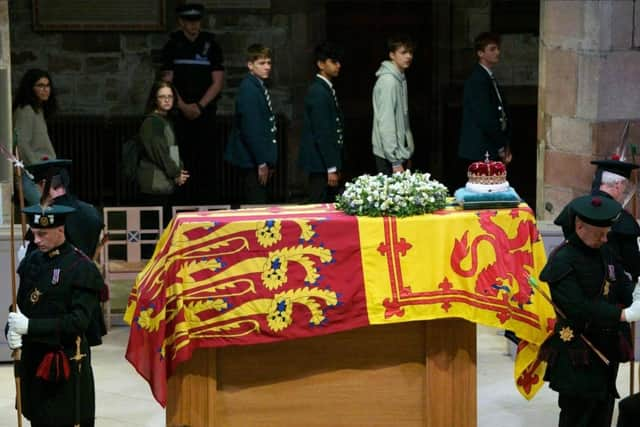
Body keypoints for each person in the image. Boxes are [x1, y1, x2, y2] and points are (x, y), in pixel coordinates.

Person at [539, 194, 640, 427]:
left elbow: (618, 282)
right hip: (579, 350)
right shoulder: (562, 260)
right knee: (578, 416)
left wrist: (633, 294)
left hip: (607, 347)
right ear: (580, 226)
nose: (605, 240)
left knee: (603, 411)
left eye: (607, 233)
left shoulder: (604, 251)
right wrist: (622, 314)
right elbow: (578, 307)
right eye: (600, 234)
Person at [7, 204, 105, 427]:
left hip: (64, 366)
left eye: (43, 234)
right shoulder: (31, 262)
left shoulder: (81, 268)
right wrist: (12, 328)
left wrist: (30, 327)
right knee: (38, 420)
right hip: (34, 363)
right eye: (34, 234)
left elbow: (78, 321)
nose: (37, 240)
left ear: (61, 230)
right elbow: (21, 306)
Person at [161, 3, 224, 203]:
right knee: (179, 162)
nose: (194, 26)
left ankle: (206, 207)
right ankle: (181, 207)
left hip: (204, 114)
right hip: (179, 115)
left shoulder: (211, 45)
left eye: (197, 21)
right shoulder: (172, 45)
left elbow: (217, 81)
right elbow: (167, 81)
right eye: (189, 21)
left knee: (205, 163)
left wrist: (199, 106)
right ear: (181, 22)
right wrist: (182, 105)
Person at [224, 44, 277, 204]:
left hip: (257, 159)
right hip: (251, 160)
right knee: (256, 202)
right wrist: (261, 162)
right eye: (262, 63)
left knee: (260, 200)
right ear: (250, 65)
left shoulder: (257, 87)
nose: (267, 67)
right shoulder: (249, 89)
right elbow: (251, 129)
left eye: (269, 62)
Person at [25, 158, 104, 259]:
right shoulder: (91, 211)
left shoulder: (45, 215)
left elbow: (32, 260)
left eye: (38, 187)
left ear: (44, 184)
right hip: (86, 271)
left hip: (56, 273)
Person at [137, 80, 189, 225]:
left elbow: (172, 150)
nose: (166, 100)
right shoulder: (152, 122)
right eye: (162, 96)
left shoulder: (165, 121)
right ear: (154, 99)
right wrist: (176, 173)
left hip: (165, 184)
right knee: (153, 228)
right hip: (155, 185)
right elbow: (159, 152)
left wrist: (179, 171)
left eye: (170, 96)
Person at [298, 41, 345, 203]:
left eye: (338, 61)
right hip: (320, 163)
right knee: (320, 204)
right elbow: (323, 132)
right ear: (321, 64)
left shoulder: (325, 89)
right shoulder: (318, 92)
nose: (338, 65)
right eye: (333, 62)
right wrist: (331, 166)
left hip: (324, 162)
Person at [458, 32, 511, 165]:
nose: (497, 52)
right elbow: (485, 118)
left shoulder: (486, 77)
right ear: (480, 53)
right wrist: (501, 145)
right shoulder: (478, 79)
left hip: (488, 146)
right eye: (492, 49)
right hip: (481, 148)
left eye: (497, 48)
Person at [13, 68, 58, 205]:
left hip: (44, 172)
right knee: (45, 212)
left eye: (47, 85)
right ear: (30, 88)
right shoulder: (26, 110)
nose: (45, 89)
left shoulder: (38, 110)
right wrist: (36, 173)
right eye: (40, 85)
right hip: (31, 175)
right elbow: (22, 144)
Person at [371, 34, 415, 175]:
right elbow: (386, 122)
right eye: (403, 53)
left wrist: (406, 152)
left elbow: (403, 120)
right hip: (389, 156)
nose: (408, 56)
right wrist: (394, 159)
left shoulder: (400, 78)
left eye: (410, 52)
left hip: (399, 153)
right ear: (392, 55)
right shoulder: (388, 81)